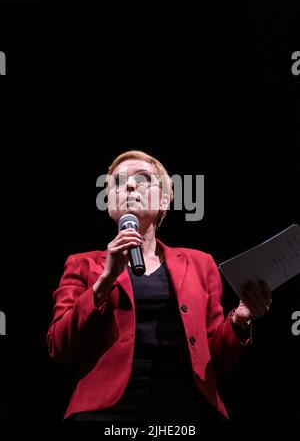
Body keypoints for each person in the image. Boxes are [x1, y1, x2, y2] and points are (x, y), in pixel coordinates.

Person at [47, 150, 272, 422]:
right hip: (105, 412)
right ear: (109, 204)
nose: (129, 186)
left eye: (142, 179)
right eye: (117, 182)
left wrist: (239, 321)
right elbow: (60, 347)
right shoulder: (82, 264)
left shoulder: (201, 264)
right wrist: (104, 282)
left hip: (186, 407)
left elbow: (213, 358)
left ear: (164, 201)